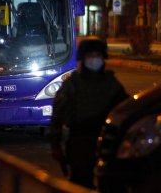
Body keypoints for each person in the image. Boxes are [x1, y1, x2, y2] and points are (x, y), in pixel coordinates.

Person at [49, 38, 129, 189]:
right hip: (80, 140)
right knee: (80, 184)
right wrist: (55, 145)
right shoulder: (72, 84)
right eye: (90, 55)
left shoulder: (112, 84)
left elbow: (126, 108)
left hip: (105, 141)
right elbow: (57, 115)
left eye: (97, 55)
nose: (94, 58)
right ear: (83, 58)